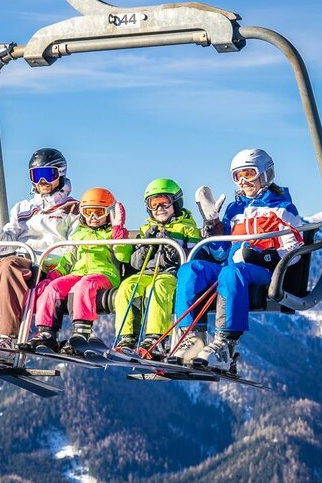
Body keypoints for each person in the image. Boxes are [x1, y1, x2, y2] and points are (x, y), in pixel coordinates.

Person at [170, 148, 304, 372]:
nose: (243, 181)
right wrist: (214, 227)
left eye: (249, 174)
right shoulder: (235, 209)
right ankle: (193, 337)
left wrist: (264, 256)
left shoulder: (282, 209)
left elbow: (295, 251)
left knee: (232, 273)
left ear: (266, 173)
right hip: (230, 269)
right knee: (190, 269)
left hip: (262, 272)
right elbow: (220, 253)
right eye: (237, 176)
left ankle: (226, 344)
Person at [0, 148, 79, 356]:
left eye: (47, 175)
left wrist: (44, 259)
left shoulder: (73, 209)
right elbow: (4, 245)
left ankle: (9, 339)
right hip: (18, 264)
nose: (41, 181)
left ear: (61, 173)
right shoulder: (22, 208)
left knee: (9, 264)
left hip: (47, 267)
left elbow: (74, 247)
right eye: (36, 175)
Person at [29, 187, 131, 352]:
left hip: (103, 275)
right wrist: (54, 275)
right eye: (88, 212)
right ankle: (47, 333)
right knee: (53, 288)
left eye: (99, 212)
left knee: (84, 285)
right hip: (77, 274)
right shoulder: (79, 234)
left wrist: (118, 229)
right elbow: (69, 258)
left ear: (110, 213)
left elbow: (123, 255)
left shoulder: (112, 234)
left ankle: (82, 332)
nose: (93, 217)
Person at [112, 178, 201, 359]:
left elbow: (193, 257)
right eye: (154, 204)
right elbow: (136, 263)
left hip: (171, 274)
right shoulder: (146, 229)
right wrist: (145, 245)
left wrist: (172, 247)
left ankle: (156, 338)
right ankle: (127, 337)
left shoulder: (187, 228)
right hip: (146, 272)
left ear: (176, 202)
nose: (160, 208)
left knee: (158, 287)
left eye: (164, 202)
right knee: (128, 286)